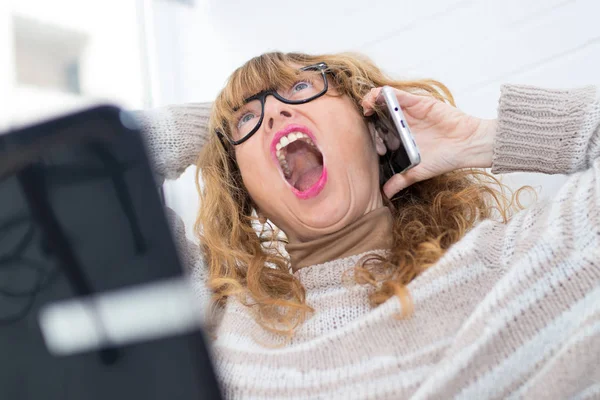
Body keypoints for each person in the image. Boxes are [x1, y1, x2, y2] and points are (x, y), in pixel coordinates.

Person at [136, 51, 600, 399]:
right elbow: (78, 180)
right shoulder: (216, 322)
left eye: (300, 88)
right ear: (247, 193)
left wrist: (480, 138)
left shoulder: (515, 262)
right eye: (248, 119)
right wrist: (213, 134)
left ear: (380, 132)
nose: (275, 113)